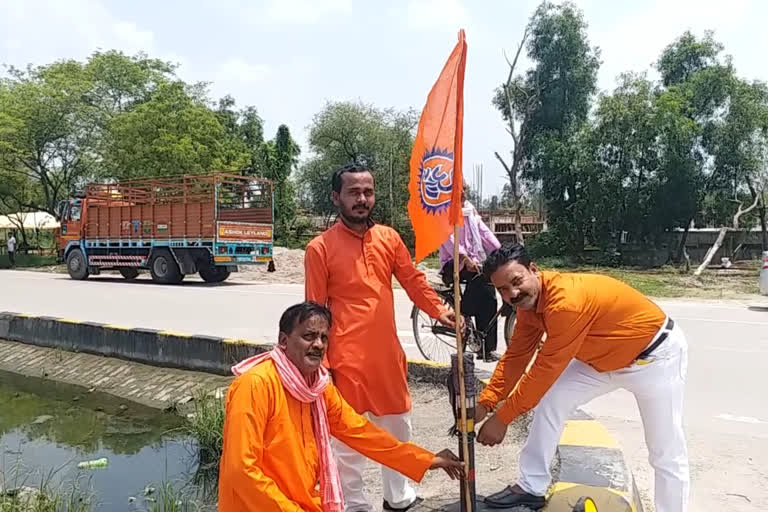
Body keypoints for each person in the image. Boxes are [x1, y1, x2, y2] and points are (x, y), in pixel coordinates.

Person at [475, 243, 689, 512]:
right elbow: (516, 356)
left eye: (516, 282)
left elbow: (544, 370)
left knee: (664, 450)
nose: (513, 294)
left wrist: (502, 417)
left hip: (655, 359)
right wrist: (486, 402)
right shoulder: (528, 308)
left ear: (533, 270)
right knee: (551, 400)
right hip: (600, 362)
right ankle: (531, 486)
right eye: (502, 289)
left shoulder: (566, 302)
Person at [305, 163, 457, 512]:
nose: (362, 199)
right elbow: (314, 311)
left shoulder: (389, 238)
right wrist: (319, 366)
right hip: (345, 363)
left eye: (368, 192)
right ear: (336, 197)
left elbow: (413, 280)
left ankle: (398, 498)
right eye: (353, 192)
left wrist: (440, 311)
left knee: (397, 430)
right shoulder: (320, 248)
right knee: (347, 444)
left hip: (387, 358)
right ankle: (355, 506)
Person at [219, 302, 464, 512]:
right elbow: (241, 471)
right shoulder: (255, 385)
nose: (318, 344)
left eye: (324, 337)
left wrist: (425, 459)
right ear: (284, 340)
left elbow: (361, 433)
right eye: (309, 336)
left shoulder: (318, 387)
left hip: (300, 503)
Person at [438, 186, 501, 362]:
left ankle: (487, 348)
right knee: (477, 278)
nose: (464, 192)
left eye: (464, 188)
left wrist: (500, 251)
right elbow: (450, 241)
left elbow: (485, 233)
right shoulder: (444, 213)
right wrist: (465, 258)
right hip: (453, 263)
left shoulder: (470, 210)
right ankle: (463, 314)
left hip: (474, 260)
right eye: (459, 189)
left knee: (489, 293)